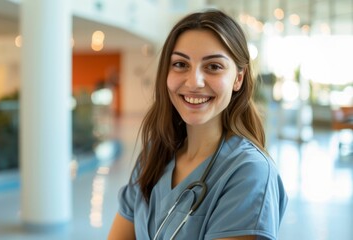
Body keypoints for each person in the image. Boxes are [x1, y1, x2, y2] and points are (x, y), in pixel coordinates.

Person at [108, 8, 288, 240]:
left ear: (238, 79)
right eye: (181, 64)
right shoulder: (155, 154)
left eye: (213, 66)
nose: (194, 82)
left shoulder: (249, 173)